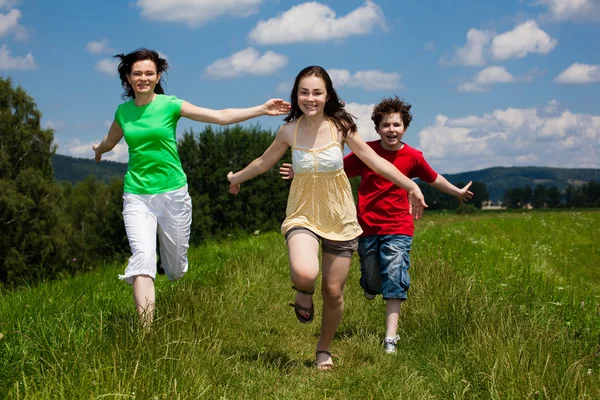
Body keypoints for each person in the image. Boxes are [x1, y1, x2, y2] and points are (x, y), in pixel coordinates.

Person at [226, 66, 427, 369]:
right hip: (302, 213)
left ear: (328, 95)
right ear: (296, 95)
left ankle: (324, 350)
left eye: (317, 92)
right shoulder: (288, 130)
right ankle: (303, 292)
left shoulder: (342, 126)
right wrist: (236, 177)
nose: (310, 98)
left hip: (340, 216)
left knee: (333, 292)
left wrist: (411, 185)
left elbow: (374, 161)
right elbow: (263, 161)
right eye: (304, 92)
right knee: (305, 273)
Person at [92, 48, 290, 327]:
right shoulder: (123, 112)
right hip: (137, 194)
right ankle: (145, 335)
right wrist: (99, 150)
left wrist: (260, 109)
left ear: (157, 75)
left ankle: (165, 261)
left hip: (173, 194)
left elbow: (219, 116)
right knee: (142, 259)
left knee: (175, 271)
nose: (143, 78)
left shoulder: (170, 105)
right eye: (137, 73)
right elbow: (111, 140)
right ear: (128, 77)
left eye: (149, 73)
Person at [281, 96, 473, 354]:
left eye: (396, 125)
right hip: (367, 227)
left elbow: (433, 177)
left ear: (405, 127)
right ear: (378, 128)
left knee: (395, 278)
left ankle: (390, 338)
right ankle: (370, 286)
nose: (391, 130)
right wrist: (299, 171)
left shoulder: (413, 157)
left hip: (399, 227)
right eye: (385, 125)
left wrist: (457, 192)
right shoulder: (366, 152)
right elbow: (330, 169)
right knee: (372, 280)